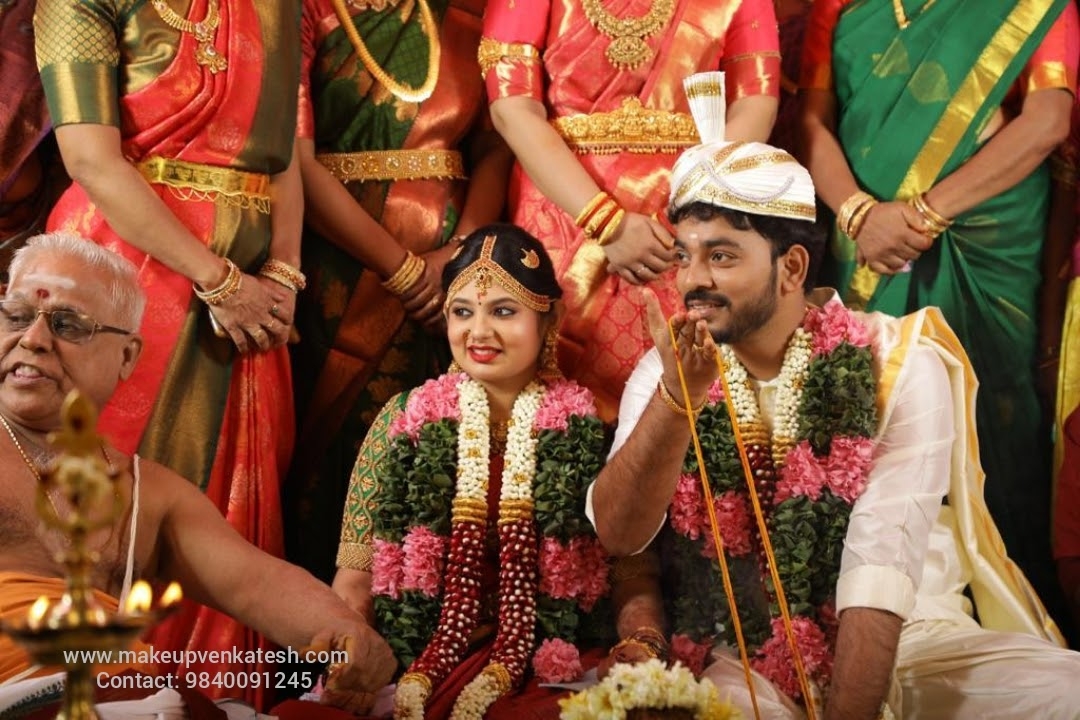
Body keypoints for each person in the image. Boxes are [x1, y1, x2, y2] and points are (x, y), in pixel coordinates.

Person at [588, 131, 1080, 718]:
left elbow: (881, 561)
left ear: (792, 267)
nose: (693, 280)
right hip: (749, 649)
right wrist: (678, 399)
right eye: (683, 256)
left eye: (720, 257)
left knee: (1065, 695)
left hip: (916, 636)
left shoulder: (897, 361)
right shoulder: (669, 367)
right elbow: (620, 534)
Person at [34, 0, 304, 703]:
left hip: (249, 293)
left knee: (230, 504)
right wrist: (218, 280)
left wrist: (283, 273)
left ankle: (218, 695)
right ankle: (101, 692)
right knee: (108, 502)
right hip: (120, 278)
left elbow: (285, 158)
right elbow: (90, 159)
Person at [0, 233, 394, 713]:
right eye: (16, 317)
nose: (32, 339)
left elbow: (255, 582)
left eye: (67, 324)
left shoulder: (148, 493)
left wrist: (346, 631)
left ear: (127, 356)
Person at [797, 0, 1079, 621]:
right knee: (873, 412)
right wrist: (859, 214)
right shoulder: (837, 5)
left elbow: (1048, 120)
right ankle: (874, 607)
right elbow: (811, 121)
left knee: (996, 407)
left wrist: (924, 214)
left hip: (989, 241)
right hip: (866, 242)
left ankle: (1009, 606)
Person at [331, 224, 666, 719]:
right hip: (416, 658)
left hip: (555, 663)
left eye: (504, 311)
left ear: (548, 321)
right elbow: (356, 575)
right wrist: (352, 655)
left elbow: (632, 573)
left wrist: (642, 641)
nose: (479, 332)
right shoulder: (402, 420)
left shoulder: (593, 426)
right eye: (462, 311)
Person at [287, 0, 512, 584]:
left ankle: (430, 606)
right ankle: (329, 611)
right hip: (340, 274)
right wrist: (404, 271)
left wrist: (463, 254)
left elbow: (494, 144)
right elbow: (293, 161)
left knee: (441, 445)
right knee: (332, 449)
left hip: (456, 285)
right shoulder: (304, 11)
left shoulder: (463, 10)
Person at [480, 0, 781, 420]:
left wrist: (690, 210)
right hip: (562, 213)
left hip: (689, 215)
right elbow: (512, 107)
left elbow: (755, 101)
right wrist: (607, 223)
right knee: (549, 414)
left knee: (693, 405)